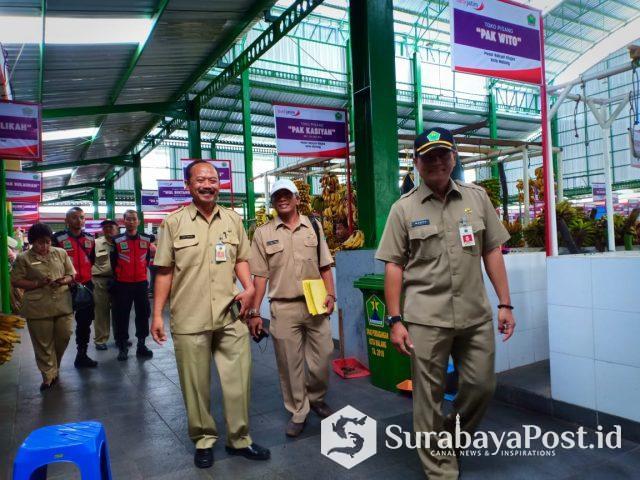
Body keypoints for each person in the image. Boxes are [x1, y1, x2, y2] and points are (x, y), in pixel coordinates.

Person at [375, 127, 515, 479]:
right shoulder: (403, 209)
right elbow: (394, 265)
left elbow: (492, 251)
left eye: (443, 154)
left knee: (482, 386)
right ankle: (440, 469)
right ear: (417, 163)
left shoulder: (476, 197)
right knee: (428, 399)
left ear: (454, 157)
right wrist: (395, 320)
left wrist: (505, 304)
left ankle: (448, 439)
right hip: (426, 319)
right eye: (428, 156)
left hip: (475, 315)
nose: (437, 161)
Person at [151, 160, 270, 469]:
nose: (208, 184)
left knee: (238, 380)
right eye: (201, 179)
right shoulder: (173, 223)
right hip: (189, 318)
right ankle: (203, 440)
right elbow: (163, 272)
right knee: (195, 384)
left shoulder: (233, 220)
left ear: (220, 184)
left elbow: (242, 259)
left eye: (213, 179)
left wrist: (248, 289)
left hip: (231, 314)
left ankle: (239, 439)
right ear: (189, 185)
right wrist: (156, 316)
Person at [249, 179, 336, 438]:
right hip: (283, 307)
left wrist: (330, 294)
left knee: (323, 356)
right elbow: (260, 278)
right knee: (289, 364)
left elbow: (324, 266)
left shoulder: (314, 227)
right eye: (277, 196)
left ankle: (317, 397)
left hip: (315, 304)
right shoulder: (263, 233)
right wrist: (255, 313)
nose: (282, 199)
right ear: (273, 202)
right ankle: (299, 410)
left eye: (287, 194)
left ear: (297, 198)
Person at [10, 223, 75, 390]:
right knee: (43, 343)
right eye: (40, 242)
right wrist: (38, 283)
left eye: (47, 241)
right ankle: (48, 375)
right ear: (32, 242)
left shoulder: (60, 253)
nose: (44, 246)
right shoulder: (24, 258)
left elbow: (71, 274)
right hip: (38, 307)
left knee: (64, 336)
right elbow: (15, 280)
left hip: (62, 302)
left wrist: (63, 280)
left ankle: (54, 366)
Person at [53, 207, 98, 368]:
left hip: (85, 286)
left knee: (85, 323)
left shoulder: (90, 239)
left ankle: (82, 354)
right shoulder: (57, 239)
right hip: (64, 288)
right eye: (74, 217)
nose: (78, 220)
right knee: (61, 325)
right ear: (66, 220)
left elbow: (91, 260)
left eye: (81, 217)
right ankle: (54, 361)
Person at [110, 210, 154, 361]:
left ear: (138, 222)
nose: (131, 221)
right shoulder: (116, 240)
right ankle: (122, 347)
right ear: (123, 221)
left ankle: (141, 345)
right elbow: (113, 262)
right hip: (122, 285)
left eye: (133, 219)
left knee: (143, 314)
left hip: (141, 284)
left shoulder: (147, 239)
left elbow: (147, 259)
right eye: (128, 219)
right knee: (122, 316)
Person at [92, 219, 118, 350]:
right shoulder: (95, 243)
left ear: (117, 228)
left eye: (111, 227)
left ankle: (120, 338)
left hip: (119, 281)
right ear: (102, 230)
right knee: (101, 312)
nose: (108, 229)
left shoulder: (121, 243)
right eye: (106, 227)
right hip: (100, 281)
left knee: (119, 311)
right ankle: (101, 340)